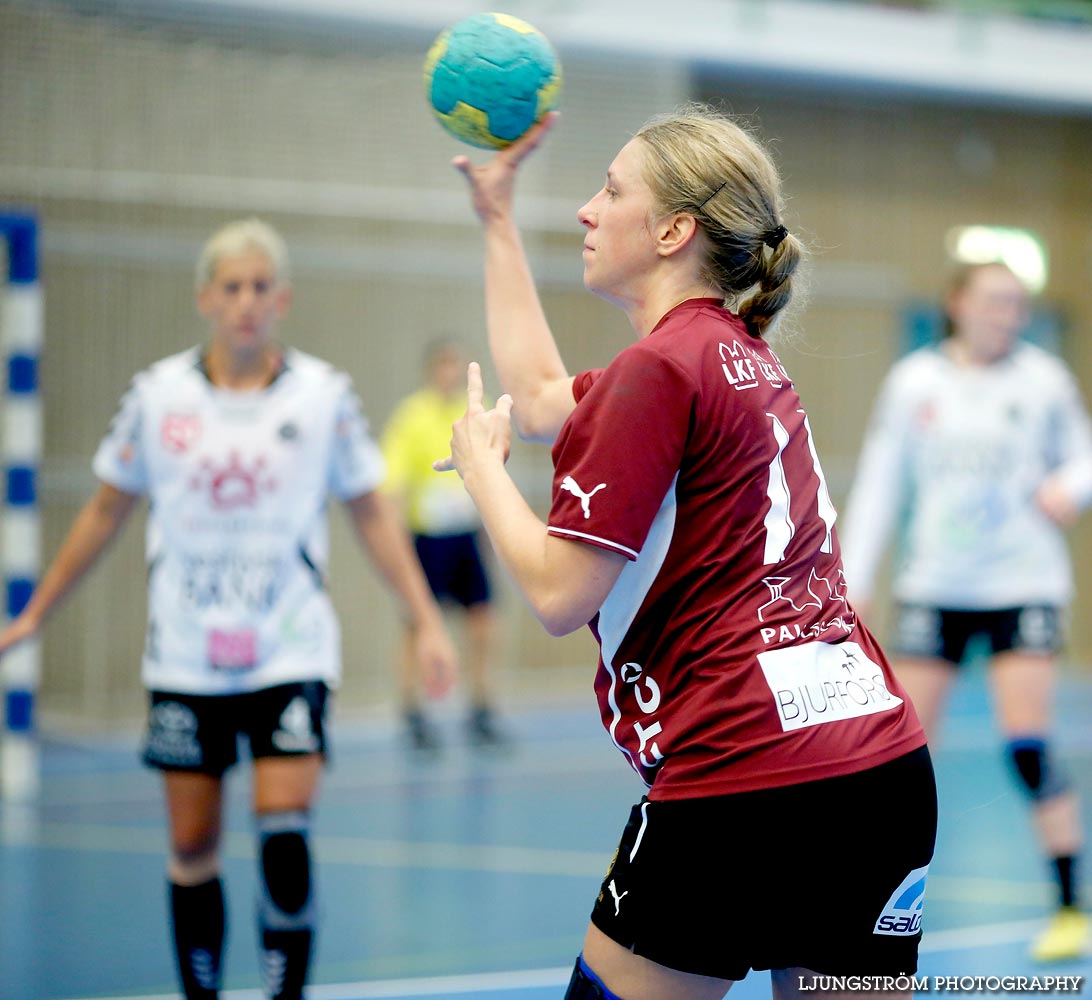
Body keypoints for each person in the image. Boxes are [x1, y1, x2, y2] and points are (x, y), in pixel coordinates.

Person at [437, 105, 937, 999]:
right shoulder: (738, 356)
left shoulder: (657, 371)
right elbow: (547, 396)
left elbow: (558, 594)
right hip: (879, 773)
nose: (589, 210)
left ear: (674, 230)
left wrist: (482, 474)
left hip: (739, 780)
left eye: (612, 190)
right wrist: (498, 220)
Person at [0, 218, 457, 1000]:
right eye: (231, 287)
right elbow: (106, 510)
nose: (246, 302)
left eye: (259, 287)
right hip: (184, 654)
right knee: (193, 842)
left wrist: (424, 617)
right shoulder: (157, 397)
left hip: (289, 649)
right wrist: (37, 611)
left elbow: (373, 514)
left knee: (285, 832)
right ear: (206, 296)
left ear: (281, 298)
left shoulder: (323, 397)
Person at [840, 260, 1092, 963]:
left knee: (1027, 745)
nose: (1007, 316)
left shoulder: (1043, 382)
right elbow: (883, 483)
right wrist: (853, 578)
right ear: (957, 304)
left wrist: (1071, 486)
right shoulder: (915, 383)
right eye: (993, 302)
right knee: (905, 755)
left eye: (1017, 305)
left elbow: (1086, 454)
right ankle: (875, 902)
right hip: (936, 585)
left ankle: (1071, 906)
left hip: (1022, 585)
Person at [380, 338, 506, 752]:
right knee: (419, 624)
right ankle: (412, 710)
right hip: (429, 540)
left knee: (483, 620)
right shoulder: (412, 417)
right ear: (432, 370)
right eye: (444, 366)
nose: (450, 373)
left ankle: (481, 706)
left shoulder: (475, 409)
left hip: (466, 535)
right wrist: (398, 542)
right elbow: (393, 482)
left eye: (456, 366)